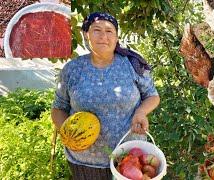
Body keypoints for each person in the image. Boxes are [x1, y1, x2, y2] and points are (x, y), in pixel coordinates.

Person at [51, 12, 160, 180]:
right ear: (86, 35)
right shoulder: (72, 70)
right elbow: (59, 107)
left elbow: (152, 96)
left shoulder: (132, 65)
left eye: (109, 31)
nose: (103, 36)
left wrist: (141, 112)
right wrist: (69, 135)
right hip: (85, 162)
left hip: (129, 158)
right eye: (96, 30)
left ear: (116, 37)